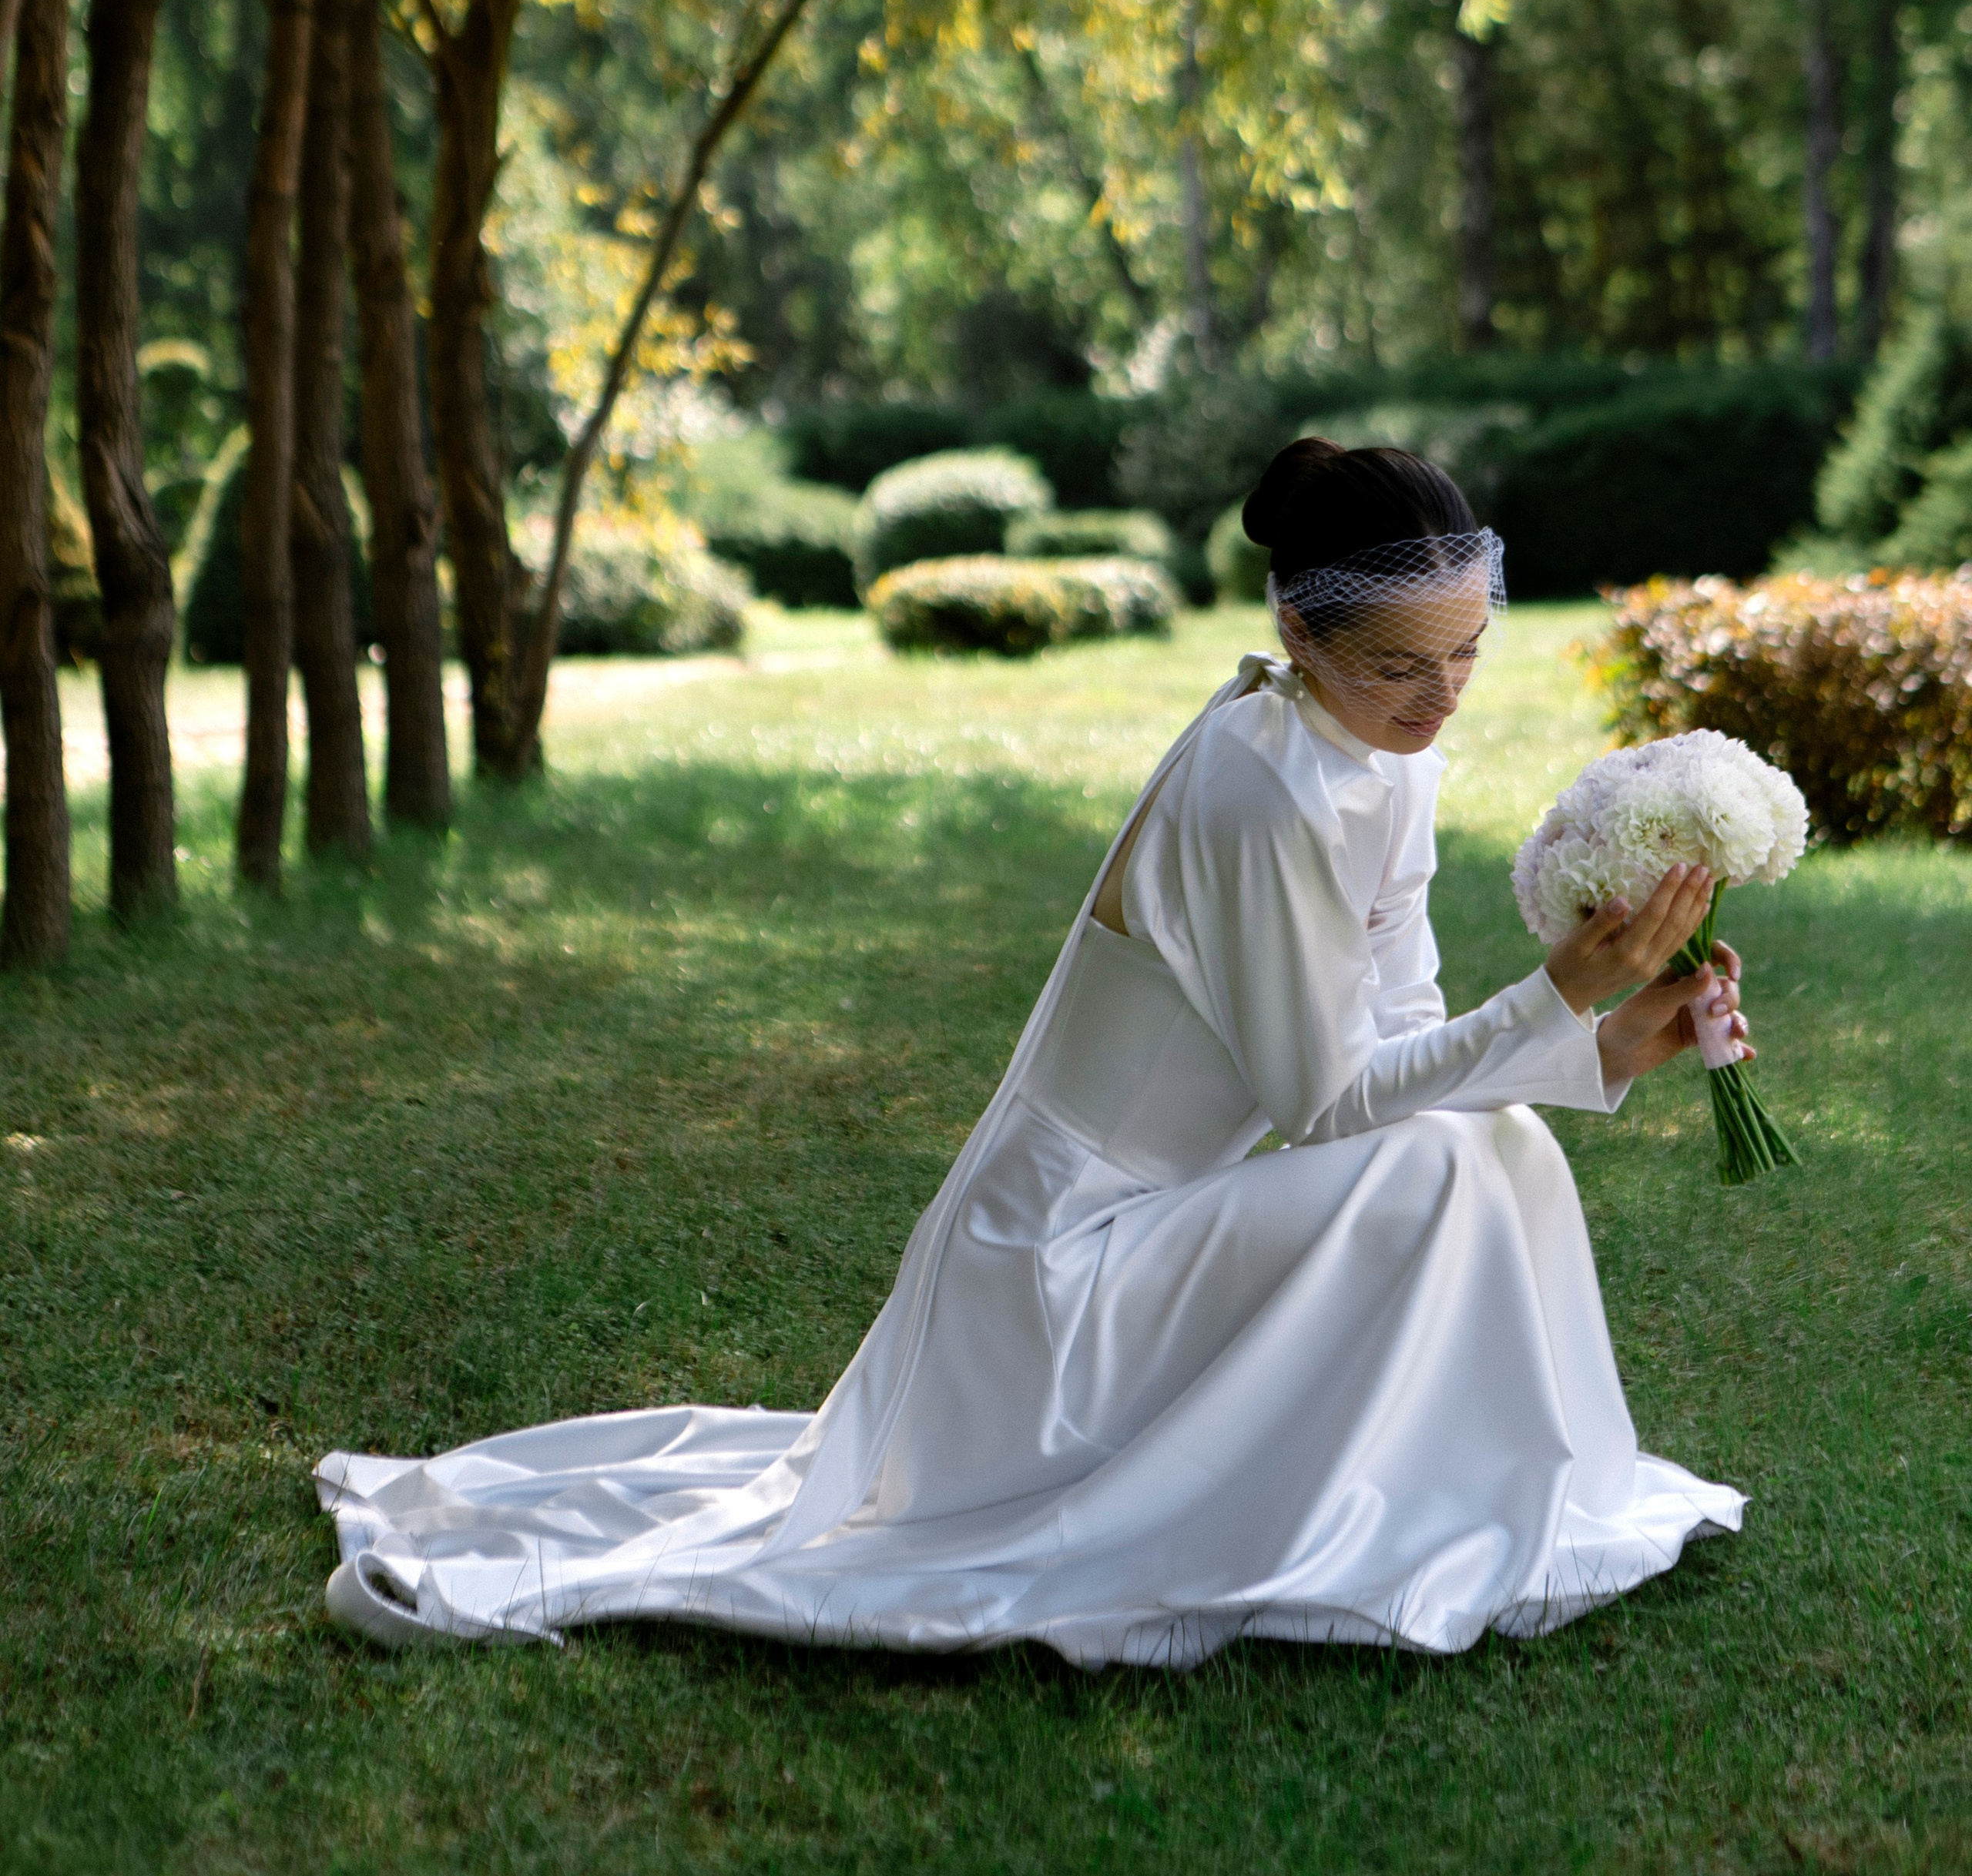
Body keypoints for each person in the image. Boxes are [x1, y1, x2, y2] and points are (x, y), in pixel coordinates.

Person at [318, 436, 1746, 1663]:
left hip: (1160, 1223)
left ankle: (1462, 1496)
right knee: (1438, 1165)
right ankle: (1390, 1515)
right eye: (1398, 667)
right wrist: (1558, 997)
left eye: (1466, 657)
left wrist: (1606, 1040)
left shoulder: (1388, 757)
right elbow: (1325, 1108)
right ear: (1299, 635)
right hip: (1052, 1275)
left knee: (1484, 1142)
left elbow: (1406, 1034)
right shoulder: (1257, 788)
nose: (1441, 701)